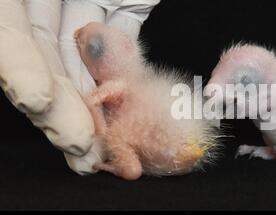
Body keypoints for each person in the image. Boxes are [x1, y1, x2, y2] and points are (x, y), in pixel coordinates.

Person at [0, 0, 160, 175]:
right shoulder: (129, 79)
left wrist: (96, 118)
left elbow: (93, 103)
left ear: (98, 71)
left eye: (91, 47)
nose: (77, 34)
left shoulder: (114, 89)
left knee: (105, 129)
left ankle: (130, 167)